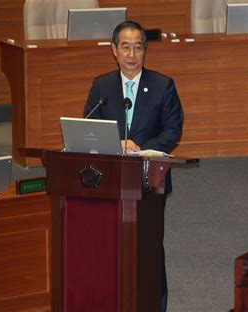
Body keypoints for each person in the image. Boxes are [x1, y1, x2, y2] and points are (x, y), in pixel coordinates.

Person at [83, 20, 184, 312]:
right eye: (125, 47)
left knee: (150, 247)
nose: (131, 54)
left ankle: (156, 305)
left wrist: (141, 147)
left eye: (137, 48)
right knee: (110, 246)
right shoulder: (101, 86)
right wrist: (117, 143)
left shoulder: (164, 85)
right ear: (114, 50)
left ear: (145, 51)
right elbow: (89, 125)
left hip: (150, 178)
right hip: (110, 178)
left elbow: (173, 130)